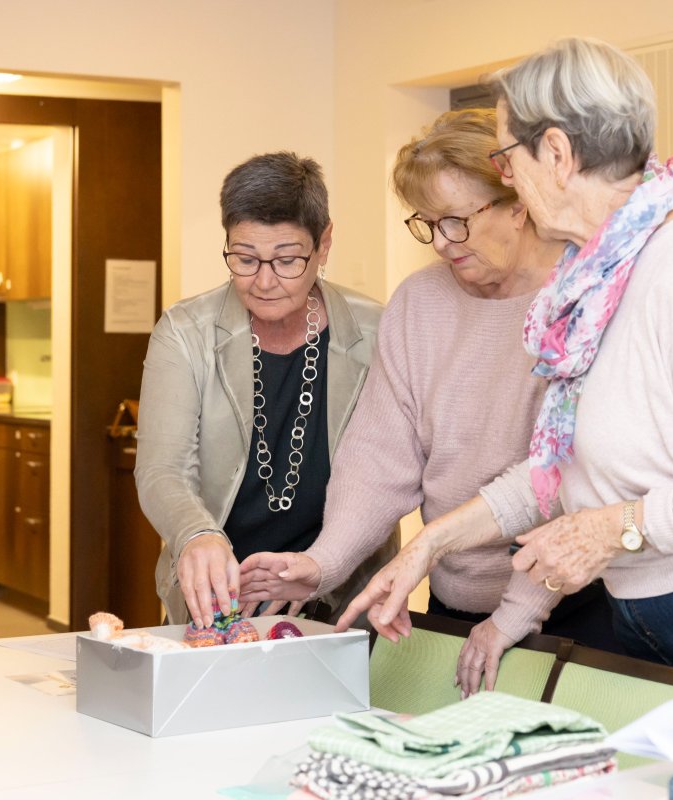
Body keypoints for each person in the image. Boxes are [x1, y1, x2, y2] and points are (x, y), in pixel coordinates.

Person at [338, 37, 673, 719]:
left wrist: (615, 530)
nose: (506, 178)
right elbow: (565, 467)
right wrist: (433, 544)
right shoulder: (600, 273)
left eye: (506, 157)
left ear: (555, 153)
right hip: (653, 611)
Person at [239, 110, 621, 669]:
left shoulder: (583, 300)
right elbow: (378, 458)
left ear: (518, 203)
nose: (441, 242)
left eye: (455, 221)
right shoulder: (419, 302)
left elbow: (568, 480)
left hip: (576, 604)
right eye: (428, 223)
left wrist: (514, 613)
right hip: (451, 601)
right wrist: (324, 562)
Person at [135, 152, 395, 629]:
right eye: (245, 259)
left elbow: (391, 472)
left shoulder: (377, 331)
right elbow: (161, 469)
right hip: (219, 593)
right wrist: (196, 534)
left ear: (324, 244)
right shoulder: (185, 332)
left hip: (344, 593)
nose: (264, 281)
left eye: (288, 260)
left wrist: (325, 563)